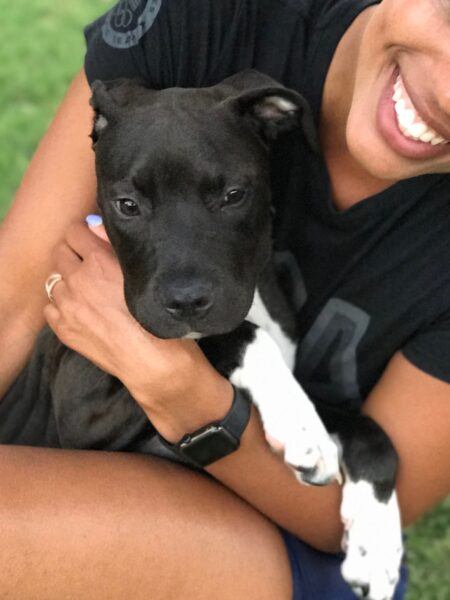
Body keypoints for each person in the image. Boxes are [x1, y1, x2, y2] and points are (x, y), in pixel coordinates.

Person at [0, 0, 449, 597]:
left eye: (231, 196)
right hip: (79, 469)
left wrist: (186, 393)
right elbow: (13, 305)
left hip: (283, 537)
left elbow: (340, 521)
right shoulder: (215, 20)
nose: (446, 92)